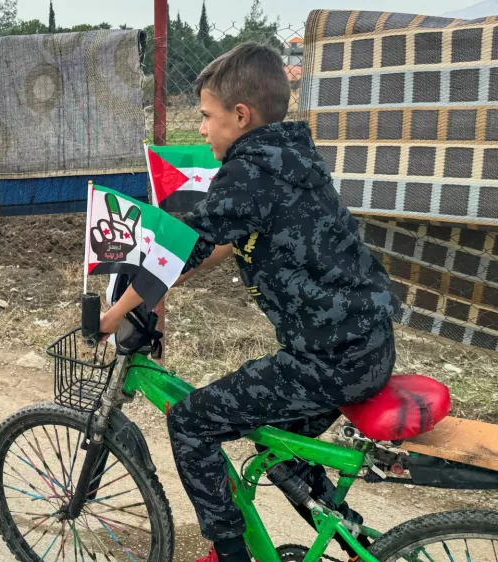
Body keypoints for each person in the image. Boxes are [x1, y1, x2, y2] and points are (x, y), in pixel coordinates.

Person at [99, 42, 399, 562]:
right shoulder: (287, 157)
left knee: (191, 422)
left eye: (207, 117)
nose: (202, 130)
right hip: (363, 345)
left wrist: (111, 316)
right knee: (276, 443)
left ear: (240, 116)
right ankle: (355, 544)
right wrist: (168, 283)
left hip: (327, 360)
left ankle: (231, 553)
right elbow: (225, 239)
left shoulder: (250, 171)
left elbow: (183, 246)